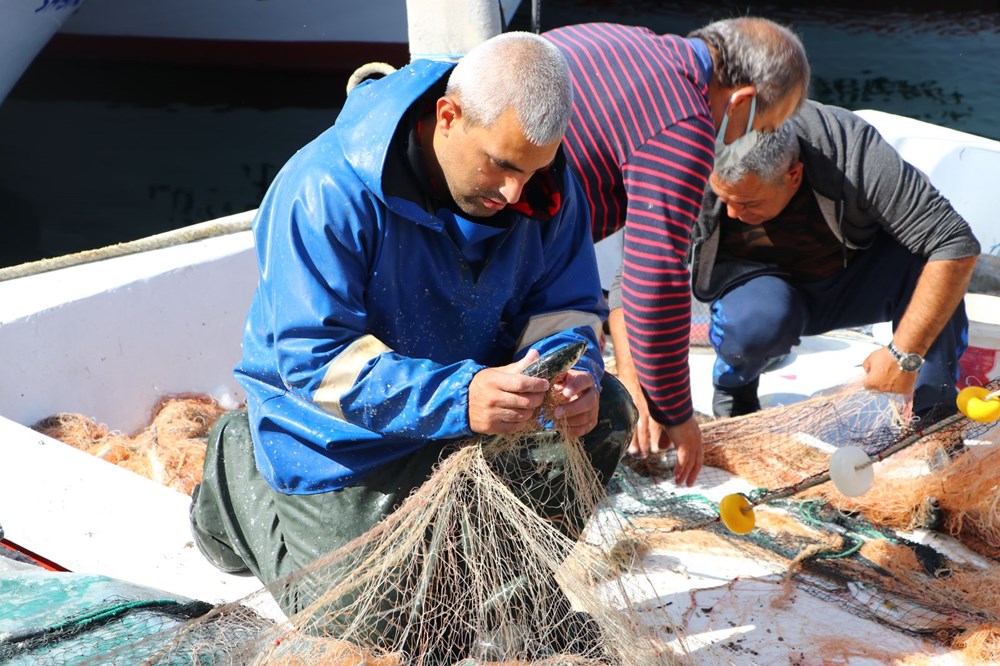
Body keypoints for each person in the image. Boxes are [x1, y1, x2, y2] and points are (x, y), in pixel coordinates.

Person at [189, 31, 635, 658]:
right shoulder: (322, 188)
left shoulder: (545, 185)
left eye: (530, 170)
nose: (515, 193)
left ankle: (514, 592)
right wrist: (461, 397)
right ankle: (236, 467)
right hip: (338, 440)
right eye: (502, 165)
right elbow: (315, 362)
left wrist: (571, 374)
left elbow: (567, 309)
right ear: (447, 117)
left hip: (474, 412)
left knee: (606, 414)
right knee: (369, 628)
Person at [543, 17, 811, 485]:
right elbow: (655, 280)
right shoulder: (685, 124)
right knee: (581, 379)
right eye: (759, 128)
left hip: (481, 200)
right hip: (491, 232)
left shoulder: (631, 42)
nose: (738, 144)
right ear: (742, 101)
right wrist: (678, 413)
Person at [689, 101, 980, 419]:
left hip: (853, 280)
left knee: (932, 263)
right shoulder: (689, 166)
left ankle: (933, 404)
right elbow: (642, 277)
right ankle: (735, 389)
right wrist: (656, 398)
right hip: (758, 294)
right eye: (724, 199)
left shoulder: (850, 147)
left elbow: (954, 241)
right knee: (759, 321)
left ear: (794, 175)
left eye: (747, 202)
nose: (732, 213)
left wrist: (903, 354)